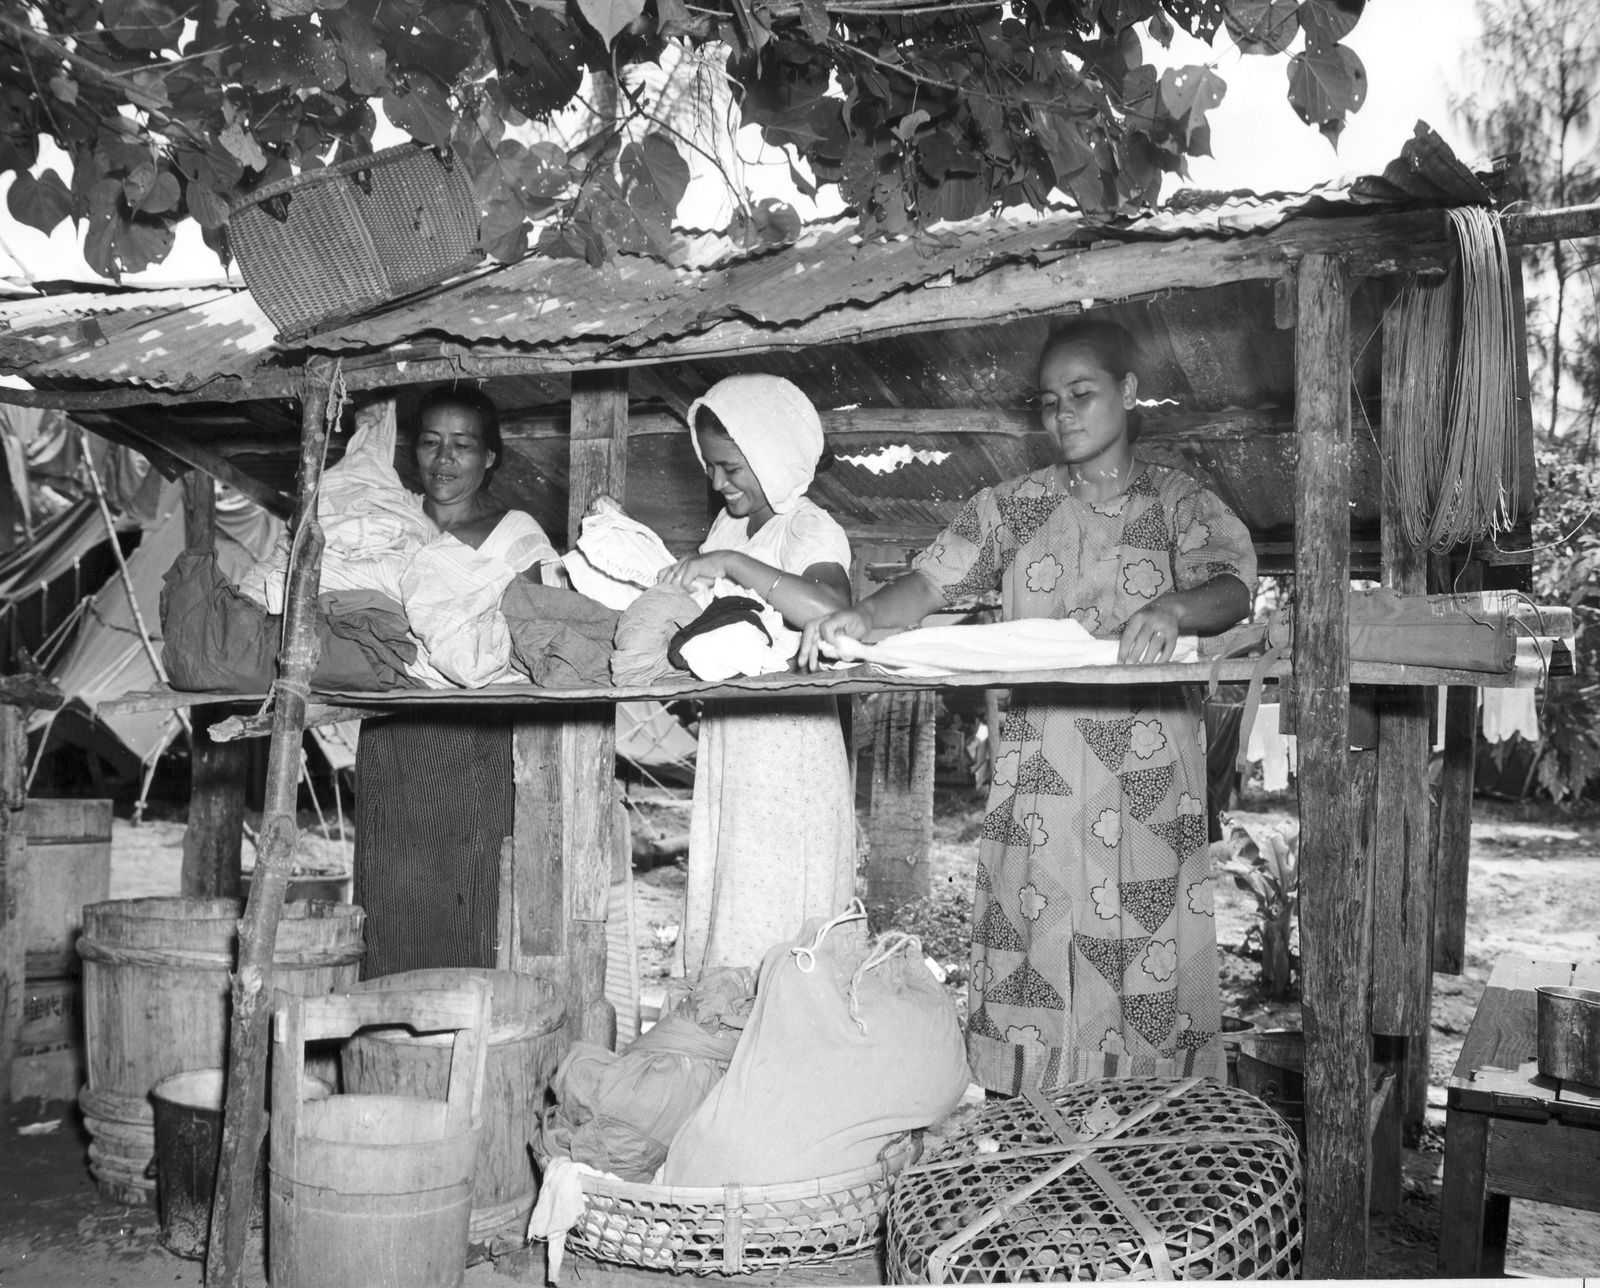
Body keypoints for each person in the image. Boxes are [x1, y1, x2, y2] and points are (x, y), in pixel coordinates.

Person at [801, 319, 1256, 1094]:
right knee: (1036, 942)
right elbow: (930, 584)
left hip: (1143, 773)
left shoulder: (1179, 503)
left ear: (1130, 393)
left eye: (1083, 395)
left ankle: (1138, 1134)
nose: (1064, 415)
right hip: (1040, 770)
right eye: (1050, 402)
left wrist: (1176, 609)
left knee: (1139, 950)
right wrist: (866, 618)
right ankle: (1039, 1135)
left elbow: (1233, 588)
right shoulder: (1013, 508)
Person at [354, 384, 558, 978]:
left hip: (476, 739)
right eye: (431, 443)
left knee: (468, 898)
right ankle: (387, 1049)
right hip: (392, 738)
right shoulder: (388, 525)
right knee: (388, 896)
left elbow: (540, 627)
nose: (445, 460)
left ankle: (462, 1048)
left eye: (463, 445)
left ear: (490, 456)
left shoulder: (515, 535)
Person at [656, 374, 856, 978]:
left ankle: (784, 1054)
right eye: (710, 467)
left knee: (783, 918)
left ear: (773, 456)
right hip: (732, 741)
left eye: (732, 468)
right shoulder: (728, 528)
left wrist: (735, 566)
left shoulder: (808, 529)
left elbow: (836, 620)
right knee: (732, 909)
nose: (718, 483)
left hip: (789, 751)